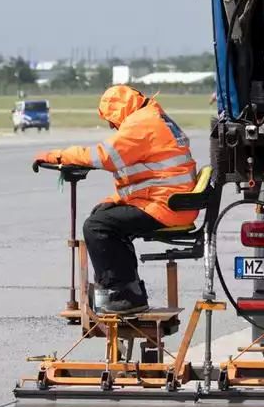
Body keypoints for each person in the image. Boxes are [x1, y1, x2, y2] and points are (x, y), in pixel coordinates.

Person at [34, 84, 198, 315]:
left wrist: (58, 156)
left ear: (119, 109)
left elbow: (105, 156)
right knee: (102, 215)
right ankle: (129, 292)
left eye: (111, 120)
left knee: (97, 226)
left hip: (167, 205)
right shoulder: (153, 115)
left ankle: (121, 295)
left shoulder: (142, 123)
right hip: (170, 199)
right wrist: (115, 199)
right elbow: (148, 176)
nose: (112, 126)